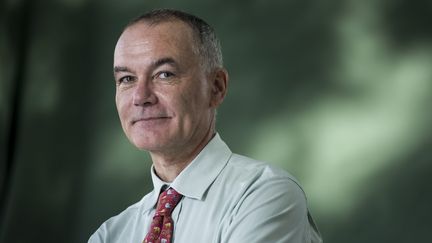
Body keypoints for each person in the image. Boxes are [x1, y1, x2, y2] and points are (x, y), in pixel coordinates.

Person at [88, 8, 322, 243]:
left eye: (164, 74)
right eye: (126, 79)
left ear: (216, 88)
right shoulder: (111, 234)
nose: (140, 96)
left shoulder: (265, 195)